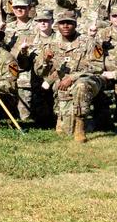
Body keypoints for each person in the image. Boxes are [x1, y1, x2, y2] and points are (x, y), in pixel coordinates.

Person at [34, 10, 104, 142]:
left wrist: (72, 77)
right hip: (63, 87)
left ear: (75, 24)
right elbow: (39, 72)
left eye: (69, 23)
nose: (65, 26)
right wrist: (46, 60)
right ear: (57, 26)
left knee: (81, 85)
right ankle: (92, 122)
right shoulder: (51, 45)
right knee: (66, 131)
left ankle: (81, 126)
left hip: (88, 82)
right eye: (62, 23)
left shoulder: (89, 42)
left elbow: (98, 67)